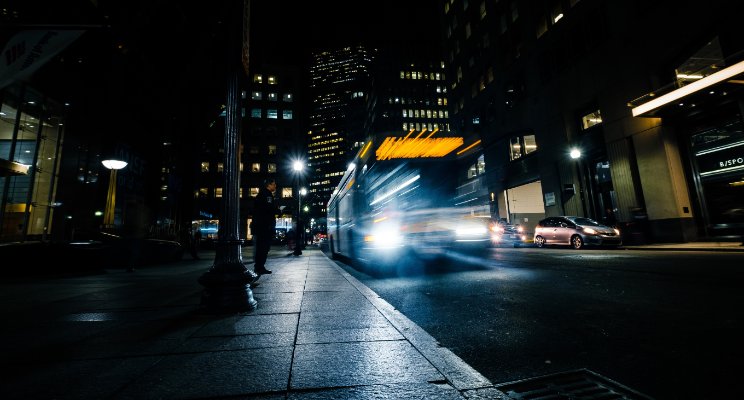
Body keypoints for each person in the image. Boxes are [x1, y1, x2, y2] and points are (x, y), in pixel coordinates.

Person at [252, 178, 281, 274]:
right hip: (265, 227)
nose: (275, 186)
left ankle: (259, 266)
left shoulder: (262, 194)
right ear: (269, 185)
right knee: (263, 247)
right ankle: (259, 267)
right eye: (274, 184)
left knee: (262, 247)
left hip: (262, 226)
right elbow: (268, 209)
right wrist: (278, 210)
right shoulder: (267, 195)